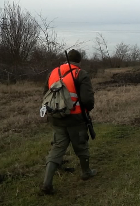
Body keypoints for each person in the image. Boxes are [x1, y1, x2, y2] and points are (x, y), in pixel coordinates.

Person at [40, 49, 96, 195]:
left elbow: (45, 93)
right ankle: (86, 172)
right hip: (75, 117)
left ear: (66, 60)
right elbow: (87, 100)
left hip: (56, 116)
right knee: (81, 145)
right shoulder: (80, 73)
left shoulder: (53, 72)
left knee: (57, 147)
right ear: (79, 61)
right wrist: (87, 109)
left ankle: (47, 183)